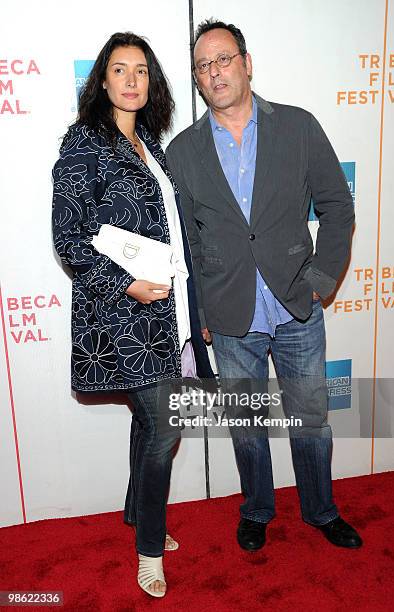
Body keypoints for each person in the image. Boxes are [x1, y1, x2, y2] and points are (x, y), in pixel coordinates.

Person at [166, 19, 362, 553]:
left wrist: (323, 278)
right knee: (248, 428)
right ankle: (257, 509)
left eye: (224, 59)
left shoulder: (297, 127)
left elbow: (337, 206)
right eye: (203, 66)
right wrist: (199, 313)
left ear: (247, 63)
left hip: (297, 305)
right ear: (198, 80)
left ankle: (321, 511)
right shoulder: (182, 152)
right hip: (230, 316)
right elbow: (188, 244)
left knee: (311, 422)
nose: (215, 72)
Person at [52, 32, 213, 598]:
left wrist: (191, 307)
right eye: (119, 70)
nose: (130, 80)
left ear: (152, 82)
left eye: (141, 70)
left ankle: (135, 515)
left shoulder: (150, 142)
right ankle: (149, 547)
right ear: (101, 80)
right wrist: (127, 285)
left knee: (151, 425)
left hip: (166, 316)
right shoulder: (83, 144)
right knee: (163, 424)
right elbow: (69, 241)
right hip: (123, 318)